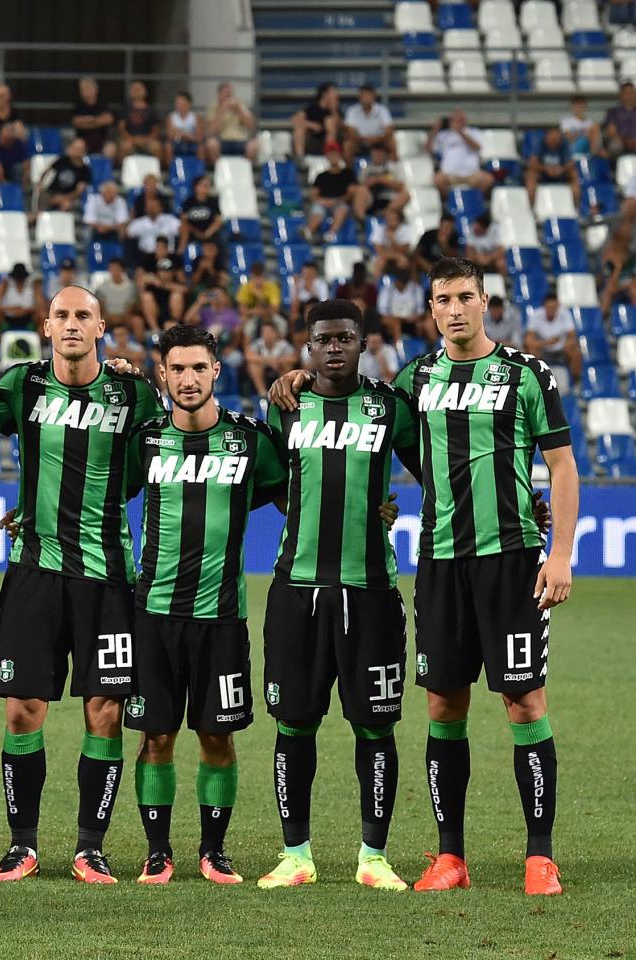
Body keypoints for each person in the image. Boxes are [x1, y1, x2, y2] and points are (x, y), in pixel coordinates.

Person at [268, 258, 576, 897]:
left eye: (466, 296)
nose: (455, 309)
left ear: (485, 301)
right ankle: (449, 857)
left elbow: (563, 466)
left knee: (524, 701)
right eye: (443, 299)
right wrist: (294, 378)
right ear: (430, 308)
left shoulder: (525, 374)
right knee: (443, 703)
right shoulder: (415, 380)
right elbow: (397, 450)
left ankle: (540, 856)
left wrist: (560, 551)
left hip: (513, 558)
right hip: (438, 563)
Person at [0, 285, 164, 884]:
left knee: (104, 710)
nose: (73, 324)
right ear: (47, 325)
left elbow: (157, 460)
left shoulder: (132, 392)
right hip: (35, 571)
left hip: (108, 576)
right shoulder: (22, 384)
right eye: (63, 315)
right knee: (23, 708)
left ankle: (91, 847)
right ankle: (22, 846)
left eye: (84, 315)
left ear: (102, 327)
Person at [255, 300, 418, 891]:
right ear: (307, 347)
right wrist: (314, 513)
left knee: (375, 725)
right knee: (294, 723)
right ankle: (295, 854)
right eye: (323, 339)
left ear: (364, 343)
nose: (334, 347)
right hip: (296, 591)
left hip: (371, 590)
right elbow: (272, 483)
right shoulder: (285, 406)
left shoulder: (390, 407)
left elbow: (434, 466)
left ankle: (373, 858)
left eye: (345, 338)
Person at [127, 322, 287, 885]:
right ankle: (157, 850)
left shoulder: (249, 440)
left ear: (216, 371)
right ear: (162, 374)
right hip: (154, 616)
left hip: (222, 618)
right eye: (178, 369)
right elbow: (97, 489)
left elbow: (294, 493)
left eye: (200, 368)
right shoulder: (145, 439)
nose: (189, 379)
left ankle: (213, 851)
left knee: (217, 736)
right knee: (157, 736)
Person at [525, 292, 584, 381]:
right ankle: (534, 381)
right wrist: (546, 343)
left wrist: (567, 343)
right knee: (531, 350)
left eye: (554, 307)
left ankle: (576, 381)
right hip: (543, 349)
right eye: (549, 307)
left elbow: (572, 336)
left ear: (558, 306)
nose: (551, 310)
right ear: (544, 306)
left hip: (561, 349)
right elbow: (528, 340)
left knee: (575, 351)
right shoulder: (535, 316)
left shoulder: (565, 314)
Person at [432, 110, 495, 194]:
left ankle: (475, 200)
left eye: (461, 119)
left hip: (472, 175)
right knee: (437, 180)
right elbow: (428, 149)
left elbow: (477, 147)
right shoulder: (443, 135)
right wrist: (435, 129)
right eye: (455, 119)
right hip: (449, 175)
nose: (458, 122)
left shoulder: (474, 132)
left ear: (465, 120)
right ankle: (449, 201)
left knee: (488, 179)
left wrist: (460, 132)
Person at [306, 146, 357, 241]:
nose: (332, 157)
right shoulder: (321, 176)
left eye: (335, 154)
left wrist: (337, 201)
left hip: (340, 201)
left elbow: (351, 193)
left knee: (341, 210)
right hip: (323, 201)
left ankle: (331, 234)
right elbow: (313, 194)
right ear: (327, 157)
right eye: (330, 155)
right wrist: (322, 201)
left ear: (339, 156)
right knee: (318, 211)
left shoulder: (348, 173)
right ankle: (308, 232)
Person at [0, 263, 43, 345]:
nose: (19, 281)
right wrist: (11, 309)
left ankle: (40, 343)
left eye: (21, 278)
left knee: (43, 314)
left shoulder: (33, 285)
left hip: (28, 317)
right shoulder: (5, 284)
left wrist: (26, 310)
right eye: (17, 278)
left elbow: (41, 305)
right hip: (8, 317)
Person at [525, 127, 579, 206]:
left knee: (574, 174)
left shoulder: (564, 144)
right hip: (543, 174)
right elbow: (532, 163)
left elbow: (571, 163)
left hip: (561, 173)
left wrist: (561, 169)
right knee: (530, 175)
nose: (553, 142)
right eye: (551, 140)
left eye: (556, 140)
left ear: (560, 139)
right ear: (546, 138)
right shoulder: (540, 144)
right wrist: (545, 169)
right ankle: (531, 205)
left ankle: (576, 206)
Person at [244, 316, 297, 395]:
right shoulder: (258, 344)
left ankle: (282, 392)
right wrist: (268, 361)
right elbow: (248, 355)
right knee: (253, 365)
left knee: (287, 366)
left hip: (279, 368)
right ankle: (262, 393)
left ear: (275, 333)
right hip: (263, 369)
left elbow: (294, 357)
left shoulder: (283, 344)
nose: (266, 335)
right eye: (264, 332)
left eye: (269, 332)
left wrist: (278, 361)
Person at [40, 138, 93, 214]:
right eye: (74, 148)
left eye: (79, 149)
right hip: (52, 192)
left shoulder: (86, 171)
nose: (75, 151)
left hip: (70, 197)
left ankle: (57, 222)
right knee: (44, 198)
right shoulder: (62, 160)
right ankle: (39, 216)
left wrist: (62, 198)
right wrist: (40, 183)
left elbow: (78, 192)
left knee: (66, 205)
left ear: (84, 151)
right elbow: (46, 171)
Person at [376, 265, 427, 342]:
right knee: (396, 324)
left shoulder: (416, 289)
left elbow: (421, 311)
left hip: (411, 321)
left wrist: (415, 318)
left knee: (425, 324)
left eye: (404, 282)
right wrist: (398, 318)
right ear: (396, 280)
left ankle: (428, 348)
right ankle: (398, 348)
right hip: (393, 319)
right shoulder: (387, 290)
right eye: (400, 281)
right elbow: (382, 312)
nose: (402, 284)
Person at [342, 85, 395, 156]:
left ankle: (393, 166)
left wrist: (377, 139)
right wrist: (362, 139)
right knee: (347, 145)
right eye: (364, 95)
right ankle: (348, 167)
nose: (366, 98)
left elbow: (389, 130)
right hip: (358, 142)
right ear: (359, 97)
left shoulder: (382, 110)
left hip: (379, 142)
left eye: (369, 95)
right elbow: (350, 131)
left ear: (374, 96)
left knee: (392, 143)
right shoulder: (352, 111)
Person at [70, 77, 116, 158]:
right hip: (83, 140)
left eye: (87, 88)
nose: (85, 91)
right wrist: (98, 121)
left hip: (102, 140)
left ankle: (104, 170)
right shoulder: (78, 106)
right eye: (82, 89)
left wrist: (89, 120)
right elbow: (77, 122)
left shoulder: (103, 104)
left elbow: (109, 119)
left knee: (111, 149)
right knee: (74, 148)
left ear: (96, 89)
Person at [292, 83, 340, 156]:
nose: (336, 95)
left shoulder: (336, 109)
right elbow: (295, 119)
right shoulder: (313, 108)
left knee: (330, 123)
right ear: (324, 94)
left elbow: (338, 126)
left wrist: (334, 110)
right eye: (333, 93)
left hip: (329, 141)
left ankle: (330, 156)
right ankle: (300, 157)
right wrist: (311, 125)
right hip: (312, 141)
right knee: (299, 129)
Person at [119, 81, 162, 160]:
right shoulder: (125, 109)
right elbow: (121, 129)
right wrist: (132, 139)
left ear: (145, 92)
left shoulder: (151, 110)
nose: (137, 91)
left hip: (148, 140)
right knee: (125, 147)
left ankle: (157, 171)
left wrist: (146, 139)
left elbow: (156, 130)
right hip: (130, 140)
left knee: (156, 147)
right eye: (135, 89)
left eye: (139, 89)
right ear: (130, 92)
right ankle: (122, 170)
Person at [93, 259, 138, 332]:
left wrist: (122, 316)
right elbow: (101, 305)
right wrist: (109, 316)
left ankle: (140, 343)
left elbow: (131, 306)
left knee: (137, 322)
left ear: (122, 270)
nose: (114, 271)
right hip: (109, 316)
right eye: (112, 269)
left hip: (126, 316)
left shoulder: (131, 286)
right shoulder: (102, 287)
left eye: (117, 268)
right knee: (98, 322)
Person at [84, 180, 130, 245]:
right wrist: (99, 227)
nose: (112, 195)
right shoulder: (93, 200)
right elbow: (88, 220)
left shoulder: (120, 201)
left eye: (114, 193)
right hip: (96, 229)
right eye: (109, 193)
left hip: (113, 230)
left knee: (123, 230)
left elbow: (122, 221)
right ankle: (90, 249)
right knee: (87, 230)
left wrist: (108, 228)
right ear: (103, 193)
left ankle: (118, 251)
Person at [602, 81, 636, 157]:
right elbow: (612, 132)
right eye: (626, 93)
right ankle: (615, 168)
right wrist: (626, 141)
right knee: (615, 145)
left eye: (631, 92)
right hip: (620, 142)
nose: (629, 95)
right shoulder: (613, 112)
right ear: (621, 95)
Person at [166, 91, 200, 162]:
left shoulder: (196, 117)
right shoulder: (171, 116)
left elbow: (199, 136)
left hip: (192, 142)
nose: (179, 105)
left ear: (189, 103)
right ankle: (171, 169)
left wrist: (180, 133)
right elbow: (170, 135)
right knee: (168, 147)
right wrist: (185, 135)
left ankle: (200, 170)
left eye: (182, 103)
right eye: (177, 103)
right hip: (176, 143)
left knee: (201, 148)